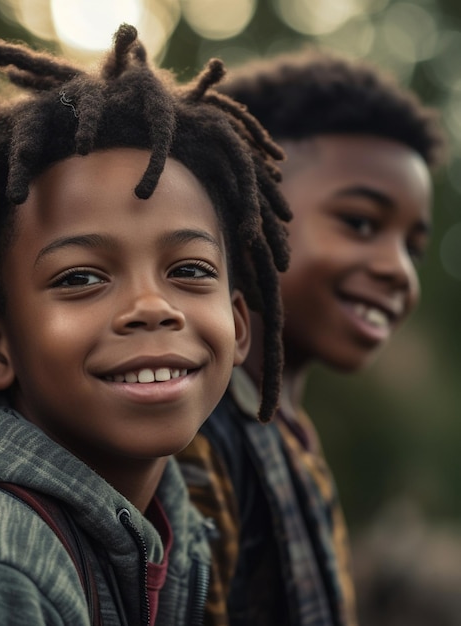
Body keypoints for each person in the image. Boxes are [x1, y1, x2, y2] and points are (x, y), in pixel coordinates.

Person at [0, 24, 292, 625]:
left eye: (188, 268)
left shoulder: (166, 526)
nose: (153, 306)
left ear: (239, 327)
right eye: (80, 278)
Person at [177, 48, 445, 626]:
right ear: (246, 206)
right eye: (361, 223)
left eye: (412, 247)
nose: (399, 269)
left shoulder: (287, 433)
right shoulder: (188, 435)